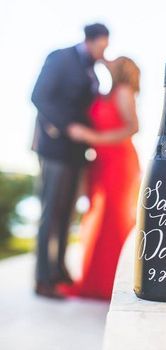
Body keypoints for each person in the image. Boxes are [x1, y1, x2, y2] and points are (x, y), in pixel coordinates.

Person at [31, 23, 109, 299]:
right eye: (103, 45)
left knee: (66, 214)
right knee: (51, 214)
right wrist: (68, 128)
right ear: (92, 40)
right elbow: (39, 96)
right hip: (55, 149)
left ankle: (59, 271)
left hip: (77, 153)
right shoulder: (60, 58)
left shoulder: (92, 70)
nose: (105, 51)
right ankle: (43, 280)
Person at [58, 57, 141, 300]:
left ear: (123, 68)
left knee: (114, 217)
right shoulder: (107, 91)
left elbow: (133, 127)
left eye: (115, 60)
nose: (108, 61)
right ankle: (96, 282)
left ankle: (111, 284)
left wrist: (91, 136)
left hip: (120, 162)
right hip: (101, 163)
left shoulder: (124, 91)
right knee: (98, 216)